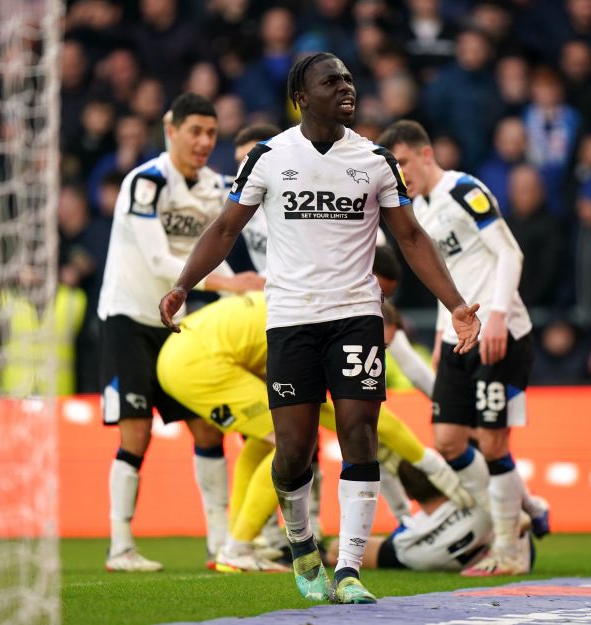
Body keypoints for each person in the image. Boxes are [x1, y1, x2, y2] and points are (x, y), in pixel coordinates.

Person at [159, 53, 480, 604]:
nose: (346, 87)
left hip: (355, 315)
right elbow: (225, 228)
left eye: (349, 79)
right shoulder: (268, 156)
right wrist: (184, 284)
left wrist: (455, 303)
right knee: (294, 452)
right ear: (302, 96)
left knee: (359, 434)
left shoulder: (377, 159)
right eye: (331, 81)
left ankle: (350, 569)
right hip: (290, 318)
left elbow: (412, 239)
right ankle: (303, 541)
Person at [156, 290, 470, 573]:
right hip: (200, 363)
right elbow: (355, 419)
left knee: (268, 439)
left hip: (185, 353)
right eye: (379, 343)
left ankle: (236, 544)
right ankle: (237, 547)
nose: (375, 352)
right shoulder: (325, 328)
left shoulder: (310, 306)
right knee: (290, 441)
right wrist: (427, 461)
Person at [97, 93, 265, 573]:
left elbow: (219, 248)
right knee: (135, 435)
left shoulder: (216, 186)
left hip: (180, 326)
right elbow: (156, 262)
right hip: (129, 319)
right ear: (170, 130)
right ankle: (120, 547)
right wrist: (230, 283)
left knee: (207, 428)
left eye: (211, 133)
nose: (204, 142)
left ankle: (219, 543)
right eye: (195, 131)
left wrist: (242, 291)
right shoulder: (145, 182)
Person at [377, 120, 547, 577]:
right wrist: (438, 338)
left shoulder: (464, 190)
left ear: (426, 155)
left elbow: (510, 254)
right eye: (393, 168)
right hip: (458, 339)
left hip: (501, 333)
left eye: (405, 163)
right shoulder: (419, 212)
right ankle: (514, 515)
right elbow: (444, 282)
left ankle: (510, 549)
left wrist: (496, 316)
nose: (401, 174)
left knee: (493, 443)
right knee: (449, 442)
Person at [325, 460, 536, 572]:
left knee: (336, 551)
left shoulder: (410, 544)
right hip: (517, 554)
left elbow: (339, 547)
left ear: (408, 493)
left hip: (429, 552)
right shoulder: (481, 501)